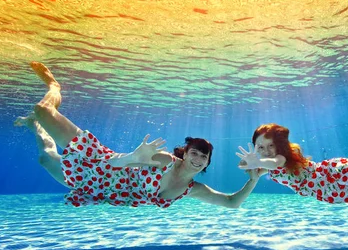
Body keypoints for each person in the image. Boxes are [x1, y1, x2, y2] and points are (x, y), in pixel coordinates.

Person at [15, 61, 261, 208]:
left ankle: (33, 126)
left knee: (45, 158)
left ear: (208, 163)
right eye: (194, 152)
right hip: (100, 165)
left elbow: (232, 203)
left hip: (96, 189)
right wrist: (133, 156)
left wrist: (253, 180)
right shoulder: (166, 161)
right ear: (185, 154)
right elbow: (116, 163)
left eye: (203, 156)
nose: (198, 158)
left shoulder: (193, 188)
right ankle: (54, 87)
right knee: (43, 110)